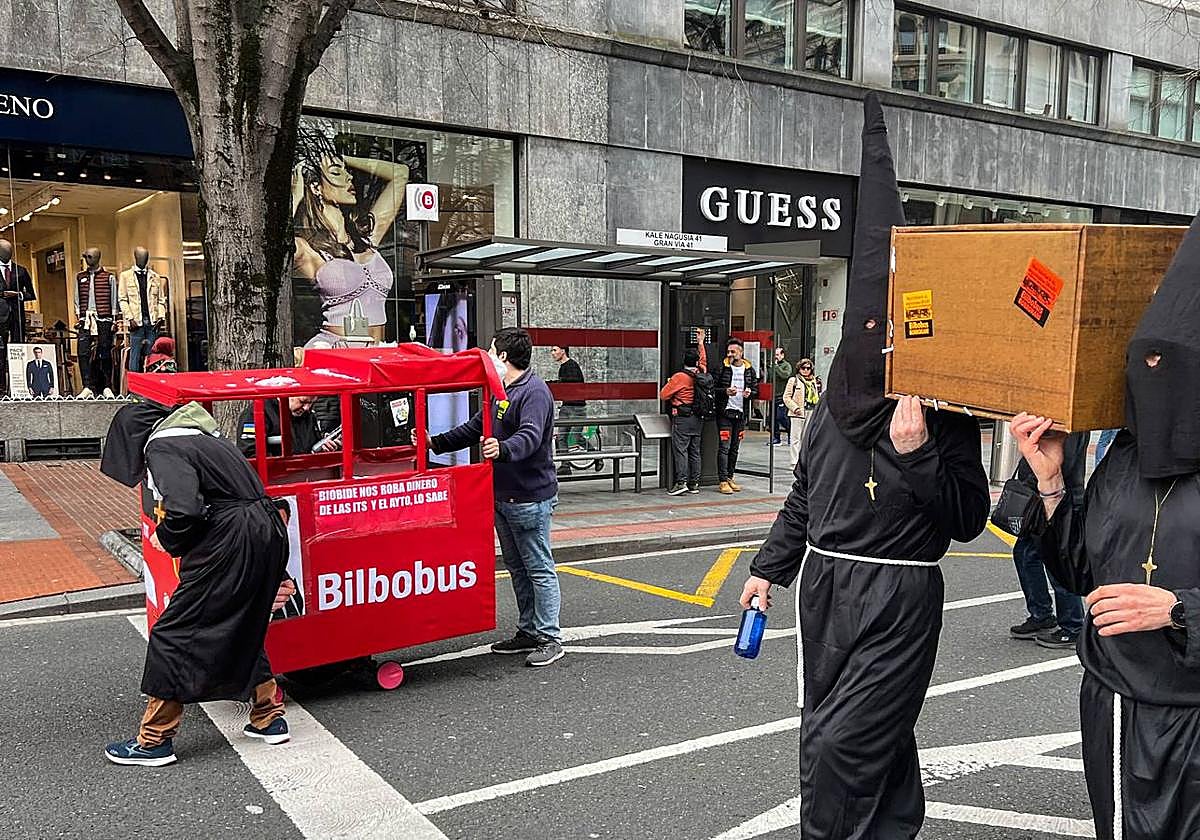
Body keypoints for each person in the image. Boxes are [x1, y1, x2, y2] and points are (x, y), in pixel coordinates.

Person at [738, 94, 990, 839]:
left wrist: (915, 459)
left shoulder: (943, 411)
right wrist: (768, 567)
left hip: (899, 594)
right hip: (826, 587)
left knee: (837, 747)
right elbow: (804, 500)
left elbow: (969, 519)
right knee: (868, 742)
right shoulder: (828, 406)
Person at [1013, 208, 1200, 840]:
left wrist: (1178, 610)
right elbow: (1079, 572)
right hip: (1113, 699)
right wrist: (1049, 482)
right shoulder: (1121, 456)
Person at [99, 400, 296, 766]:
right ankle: (269, 716)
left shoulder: (163, 445)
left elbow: (184, 510)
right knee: (244, 621)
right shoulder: (203, 438)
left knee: (174, 632)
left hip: (230, 540)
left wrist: (167, 537)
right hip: (265, 529)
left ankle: (154, 739)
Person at [428, 327, 563, 667]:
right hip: (503, 495)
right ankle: (529, 631)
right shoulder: (499, 390)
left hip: (529, 497)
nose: (487, 355)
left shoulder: (534, 392)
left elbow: (530, 437)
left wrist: (502, 449)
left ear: (503, 356)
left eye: (491, 350)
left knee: (539, 568)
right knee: (518, 567)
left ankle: (550, 637)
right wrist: (436, 443)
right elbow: (476, 426)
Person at [292, 125, 409, 348]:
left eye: (347, 173)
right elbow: (271, 251)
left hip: (378, 351)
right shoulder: (307, 247)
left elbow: (400, 174)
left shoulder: (367, 238)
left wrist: (341, 158)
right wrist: (295, 198)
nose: (349, 178)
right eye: (337, 173)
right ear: (316, 188)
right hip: (334, 351)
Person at [1009, 432, 1088, 649]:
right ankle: (1042, 615)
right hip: (1042, 498)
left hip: (1057, 499)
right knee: (1025, 554)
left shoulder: (1066, 423)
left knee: (1058, 563)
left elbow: (1063, 464)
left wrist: (1031, 481)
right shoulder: (1053, 420)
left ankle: (1072, 625)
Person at [659, 329, 709, 496]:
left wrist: (670, 383)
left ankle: (681, 482)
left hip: (683, 418)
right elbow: (703, 360)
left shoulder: (679, 377)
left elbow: (663, 395)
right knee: (695, 451)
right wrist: (701, 343)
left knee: (681, 450)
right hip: (698, 417)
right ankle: (694, 483)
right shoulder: (701, 372)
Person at [715, 337, 759, 494]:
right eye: (728, 351)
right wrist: (725, 391)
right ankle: (722, 480)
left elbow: (755, 389)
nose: (730, 354)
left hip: (740, 414)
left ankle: (729, 477)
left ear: (741, 352)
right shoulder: (722, 367)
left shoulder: (749, 370)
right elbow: (713, 388)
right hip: (725, 413)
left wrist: (750, 393)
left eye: (733, 351)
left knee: (735, 448)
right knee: (724, 448)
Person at [237, 395, 340, 458]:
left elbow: (311, 447)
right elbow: (249, 453)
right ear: (289, 394)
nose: (306, 408)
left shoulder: (308, 415)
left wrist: (324, 449)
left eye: (311, 403)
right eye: (303, 402)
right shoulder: (257, 413)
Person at [550, 344, 587, 477]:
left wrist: (554, 384)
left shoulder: (571, 366)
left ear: (563, 351)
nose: (552, 353)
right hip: (567, 407)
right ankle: (565, 465)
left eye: (555, 350)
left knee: (576, 437)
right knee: (561, 437)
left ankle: (597, 456)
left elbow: (570, 385)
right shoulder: (563, 367)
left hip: (576, 408)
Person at [782, 358, 821, 468]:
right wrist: (795, 408)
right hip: (798, 413)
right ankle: (794, 462)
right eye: (803, 368)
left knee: (807, 438)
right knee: (795, 438)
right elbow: (786, 397)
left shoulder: (815, 381)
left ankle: (805, 461)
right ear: (799, 369)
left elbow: (819, 396)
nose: (805, 370)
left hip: (811, 411)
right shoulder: (793, 380)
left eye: (808, 368)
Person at [769, 347, 793, 446]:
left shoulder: (786, 365)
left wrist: (776, 367)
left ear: (782, 355)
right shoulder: (772, 366)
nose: (776, 357)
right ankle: (776, 438)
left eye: (778, 355)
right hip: (772, 395)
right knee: (772, 418)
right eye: (775, 355)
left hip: (782, 396)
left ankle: (791, 434)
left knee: (782, 417)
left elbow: (785, 375)